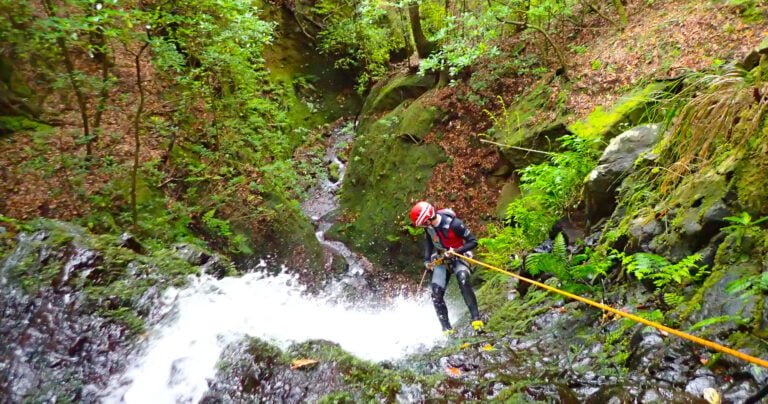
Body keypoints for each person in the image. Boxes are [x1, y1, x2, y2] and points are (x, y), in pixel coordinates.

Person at [410, 201, 484, 335]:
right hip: (441, 260)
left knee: (463, 280)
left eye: (423, 223)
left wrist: (457, 250)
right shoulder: (429, 228)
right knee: (436, 293)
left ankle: (476, 319)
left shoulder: (454, 224)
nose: (423, 226)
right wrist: (427, 260)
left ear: (428, 218)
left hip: (459, 257)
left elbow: (473, 241)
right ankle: (446, 329)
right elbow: (429, 244)